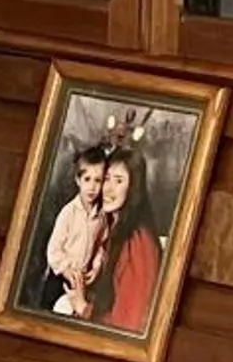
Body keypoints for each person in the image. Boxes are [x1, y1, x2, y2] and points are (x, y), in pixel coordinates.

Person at [44, 139, 162, 331]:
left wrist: (82, 307)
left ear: (134, 188)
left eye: (119, 181)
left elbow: (128, 326)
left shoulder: (137, 241)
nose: (107, 189)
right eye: (106, 179)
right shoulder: (112, 226)